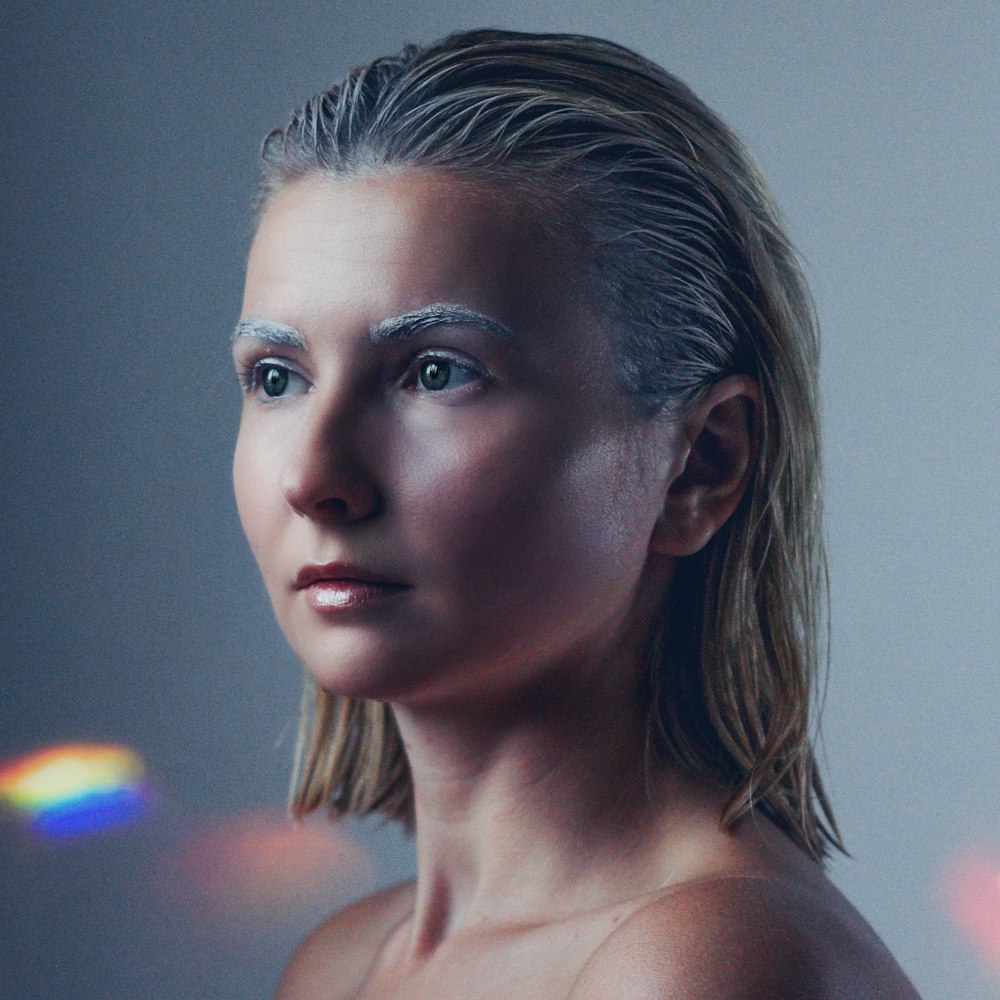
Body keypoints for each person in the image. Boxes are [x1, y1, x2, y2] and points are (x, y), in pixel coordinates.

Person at [231, 28, 922, 999]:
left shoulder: (711, 967)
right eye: (277, 377)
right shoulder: (338, 965)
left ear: (700, 465)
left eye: (436, 372)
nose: (315, 475)